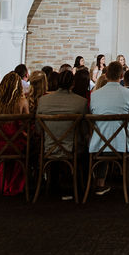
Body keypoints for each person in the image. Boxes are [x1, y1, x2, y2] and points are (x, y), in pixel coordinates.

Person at [89, 61, 129, 197]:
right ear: (122, 75)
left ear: (105, 75)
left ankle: (100, 182)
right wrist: (125, 132)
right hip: (121, 143)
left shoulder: (94, 95)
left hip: (99, 143)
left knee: (105, 138)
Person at [36, 69, 88, 200]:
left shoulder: (43, 101)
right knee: (85, 147)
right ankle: (82, 187)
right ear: (73, 84)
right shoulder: (80, 102)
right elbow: (85, 129)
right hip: (73, 149)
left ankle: (51, 184)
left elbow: (38, 129)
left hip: (48, 148)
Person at [0, 72, 29, 196]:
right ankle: (17, 184)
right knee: (30, 147)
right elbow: (26, 124)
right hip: (16, 144)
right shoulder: (22, 102)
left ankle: (4, 181)